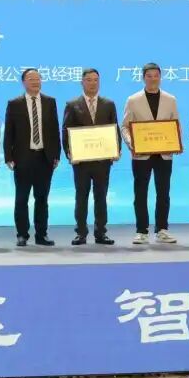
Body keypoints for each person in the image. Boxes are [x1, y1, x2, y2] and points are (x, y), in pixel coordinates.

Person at [120, 62, 180, 245]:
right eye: (149, 76)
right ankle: (141, 231)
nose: (153, 79)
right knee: (140, 193)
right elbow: (125, 126)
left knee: (163, 193)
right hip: (141, 154)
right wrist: (132, 144)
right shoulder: (133, 100)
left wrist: (176, 144)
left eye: (156, 76)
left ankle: (162, 229)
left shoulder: (170, 99)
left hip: (164, 153)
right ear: (143, 78)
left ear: (160, 77)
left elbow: (175, 124)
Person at [61, 68, 120, 245]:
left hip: (103, 160)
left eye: (95, 80)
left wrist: (116, 150)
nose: (93, 83)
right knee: (81, 197)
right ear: (82, 82)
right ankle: (81, 233)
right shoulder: (72, 104)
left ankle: (101, 233)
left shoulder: (108, 104)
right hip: (81, 161)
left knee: (101, 197)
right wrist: (70, 153)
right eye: (89, 80)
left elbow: (114, 128)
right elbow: (66, 131)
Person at [3, 68, 61, 246]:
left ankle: (41, 234)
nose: (35, 81)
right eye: (31, 79)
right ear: (23, 82)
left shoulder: (50, 102)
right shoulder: (14, 103)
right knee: (21, 199)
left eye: (38, 78)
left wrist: (56, 154)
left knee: (42, 199)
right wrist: (8, 156)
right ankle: (22, 234)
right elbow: (9, 132)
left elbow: (55, 130)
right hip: (23, 157)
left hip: (44, 157)